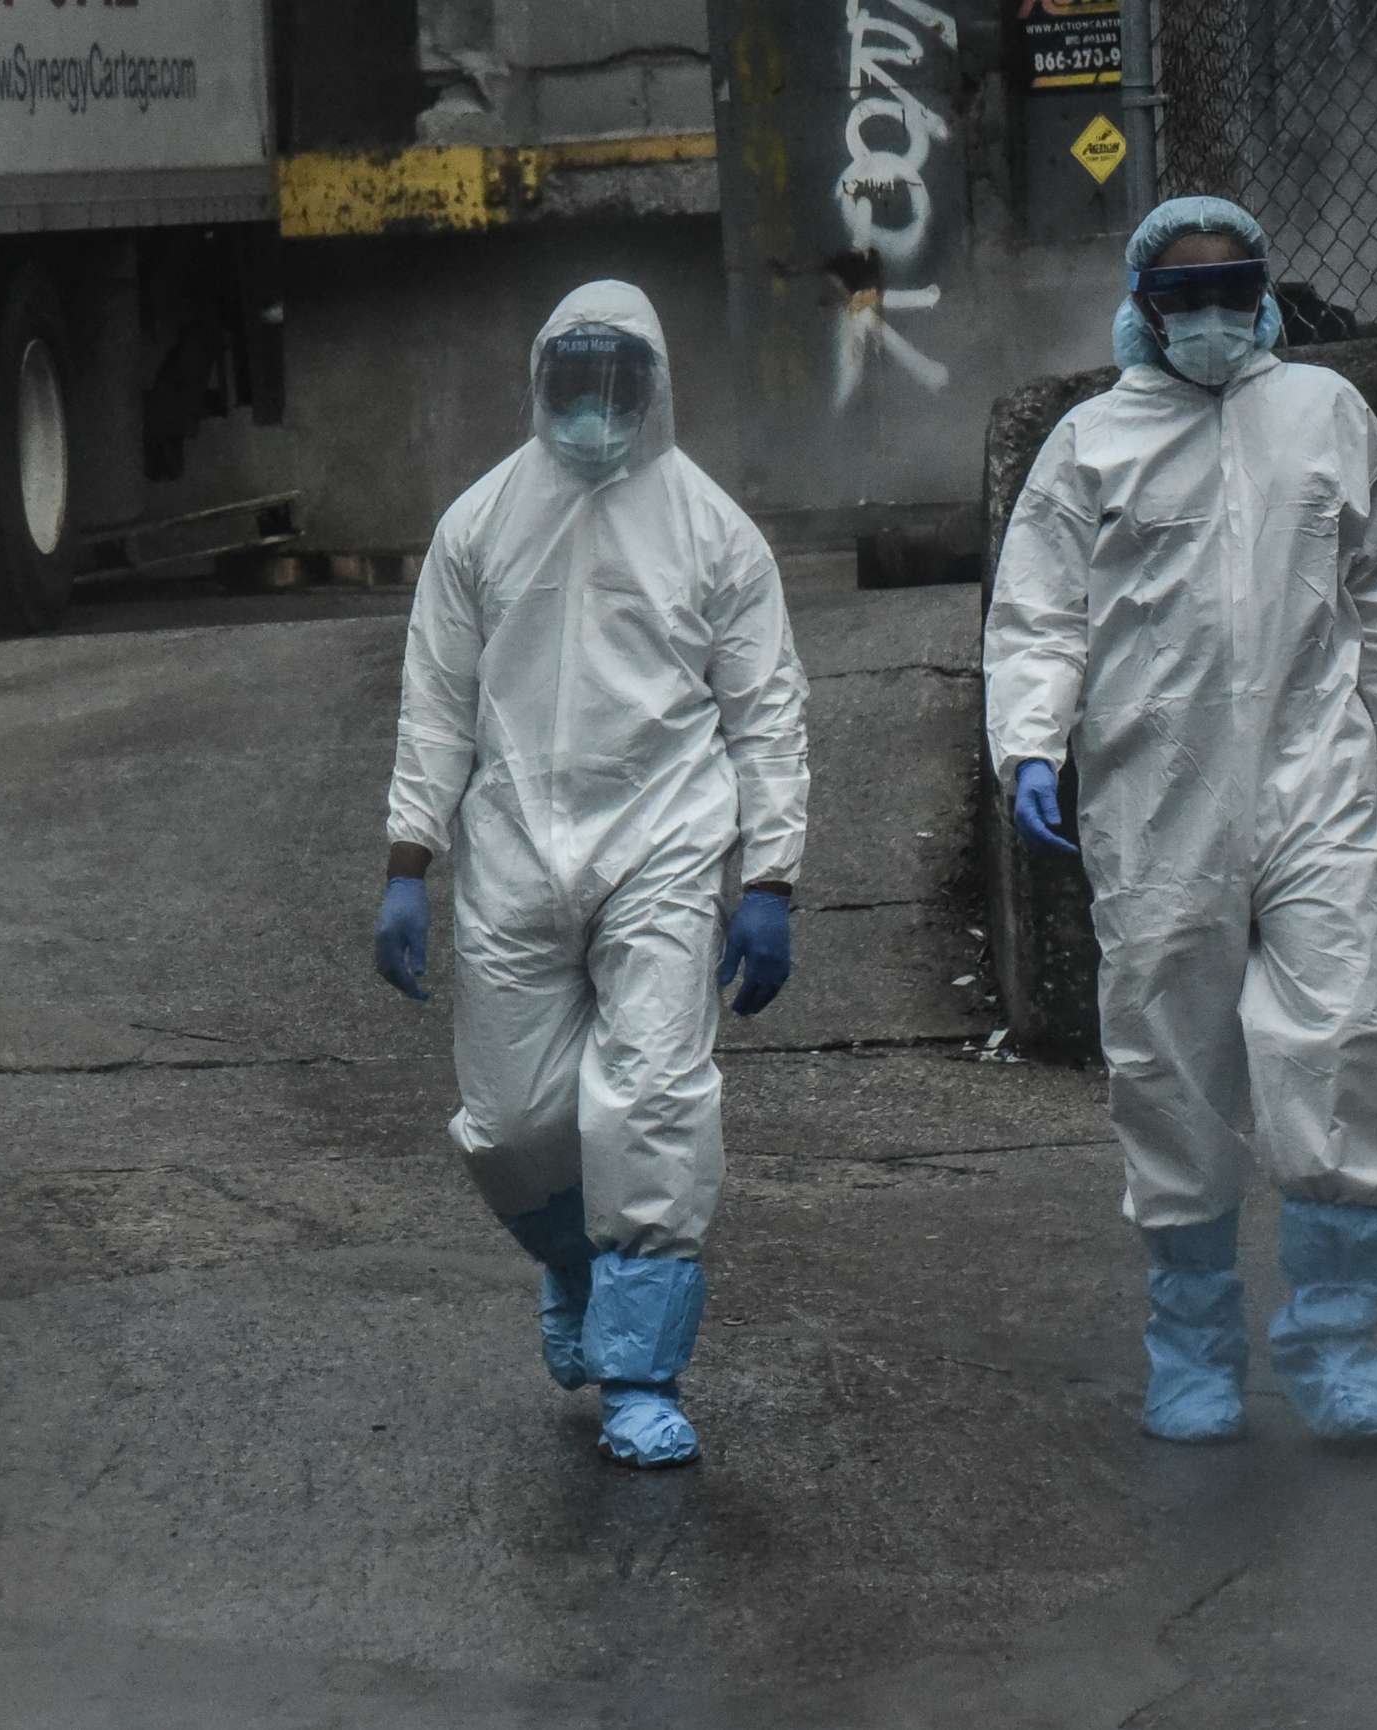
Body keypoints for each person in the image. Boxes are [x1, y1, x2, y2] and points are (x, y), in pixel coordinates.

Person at [985, 197, 1377, 1445]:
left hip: (1315, 784)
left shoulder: (1325, 415)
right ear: (1145, 303)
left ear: (1267, 292)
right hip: (1154, 796)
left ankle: (1337, 1340)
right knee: (1168, 1070)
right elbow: (1039, 613)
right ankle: (1192, 1342)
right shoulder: (1091, 444)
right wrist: (1029, 740)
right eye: (1188, 295)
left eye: (1236, 288)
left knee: (1338, 1043)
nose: (1215, 316)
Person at [371, 281, 810, 1468]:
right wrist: (411, 857)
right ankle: (574, 1258)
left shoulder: (714, 533)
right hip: (514, 843)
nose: (595, 410)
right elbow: (436, 706)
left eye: (619, 386)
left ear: (656, 386)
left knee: (654, 1101)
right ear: (539, 382)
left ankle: (641, 1370)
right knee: (513, 1120)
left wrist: (767, 875)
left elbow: (764, 712)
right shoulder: (480, 527)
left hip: (664, 842)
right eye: (574, 385)